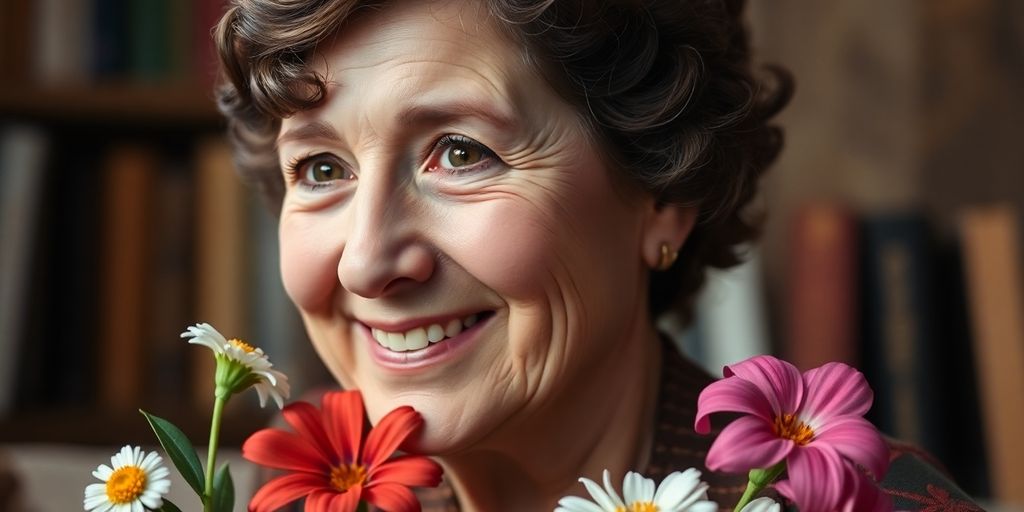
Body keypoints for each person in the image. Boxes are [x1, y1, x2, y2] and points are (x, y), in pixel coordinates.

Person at [213, 0, 980, 510]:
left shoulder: (864, 497)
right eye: (321, 169)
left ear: (663, 195)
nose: (364, 264)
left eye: (460, 152)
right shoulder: (295, 480)